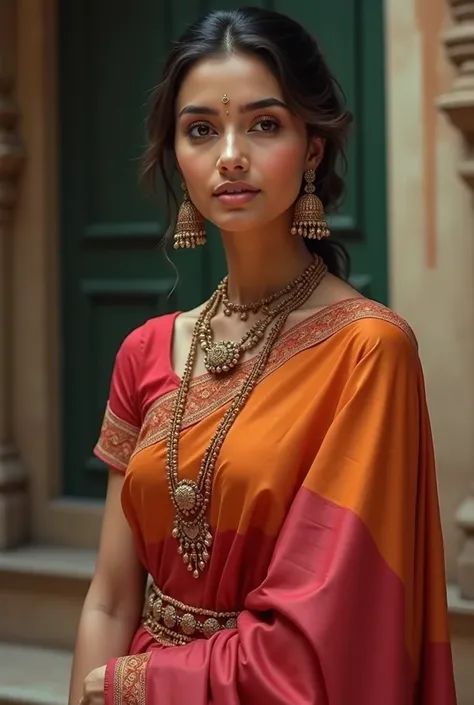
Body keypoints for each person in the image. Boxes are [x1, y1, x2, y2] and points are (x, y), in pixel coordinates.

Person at [69, 7, 457, 705]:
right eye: (201, 130)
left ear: (312, 149)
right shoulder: (146, 351)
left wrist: (140, 683)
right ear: (175, 154)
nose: (229, 155)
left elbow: (334, 632)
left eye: (265, 124)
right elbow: (109, 597)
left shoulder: (368, 352)